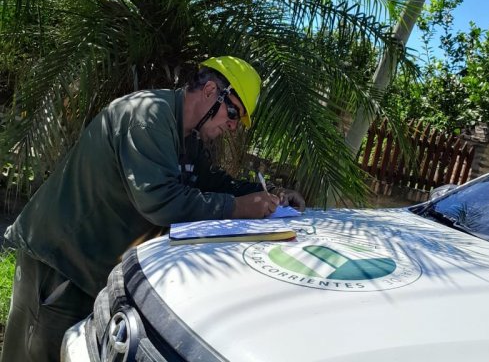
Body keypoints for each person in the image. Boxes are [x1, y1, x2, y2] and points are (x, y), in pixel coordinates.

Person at [1, 56, 305, 362]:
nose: (233, 127)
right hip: (59, 263)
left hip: (89, 268)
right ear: (212, 91)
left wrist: (267, 194)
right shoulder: (148, 116)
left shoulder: (186, 137)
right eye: (234, 113)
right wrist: (238, 207)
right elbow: (161, 201)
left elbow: (211, 181)